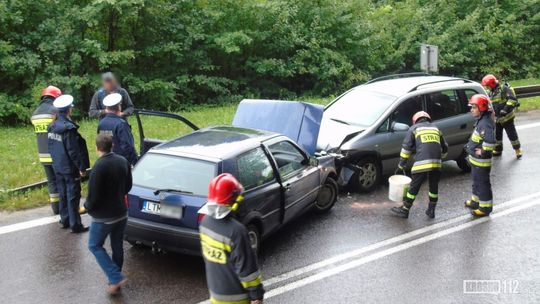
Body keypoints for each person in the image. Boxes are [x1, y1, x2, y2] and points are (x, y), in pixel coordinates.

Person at [198, 174, 265, 304]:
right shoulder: (236, 231)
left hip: (216, 296)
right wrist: (256, 295)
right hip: (237, 299)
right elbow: (247, 270)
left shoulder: (205, 222)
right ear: (232, 201)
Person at [85, 133, 132, 295]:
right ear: (112, 146)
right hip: (121, 212)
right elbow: (128, 186)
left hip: (104, 217)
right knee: (117, 245)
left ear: (97, 148)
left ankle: (115, 276)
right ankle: (115, 280)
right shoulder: (123, 161)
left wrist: (87, 207)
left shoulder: (99, 167)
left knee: (94, 245)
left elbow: (93, 196)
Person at [390, 111, 448, 219]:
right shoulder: (436, 129)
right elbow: (445, 147)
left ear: (415, 121)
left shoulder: (414, 129)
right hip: (436, 163)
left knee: (414, 188)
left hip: (422, 164)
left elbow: (406, 148)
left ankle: (405, 210)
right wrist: (441, 157)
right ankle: (431, 210)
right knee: (433, 187)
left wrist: (402, 163)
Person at [48, 95, 90, 233]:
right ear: (69, 110)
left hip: (58, 166)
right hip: (70, 168)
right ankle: (75, 225)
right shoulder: (68, 129)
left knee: (63, 194)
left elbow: (51, 147)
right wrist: (81, 168)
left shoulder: (52, 126)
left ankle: (65, 220)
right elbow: (73, 151)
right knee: (73, 195)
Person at [31, 86, 62, 214]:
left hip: (43, 155)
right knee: (61, 181)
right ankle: (65, 209)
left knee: (51, 182)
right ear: (55, 97)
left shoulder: (35, 114)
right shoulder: (55, 111)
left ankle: (55, 209)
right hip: (56, 154)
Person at [464, 94, 496, 217]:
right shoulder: (482, 120)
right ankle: (475, 202)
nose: (471, 110)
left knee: (482, 184)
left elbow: (490, 142)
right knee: (476, 182)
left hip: (481, 162)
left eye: (473, 107)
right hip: (476, 162)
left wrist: (482, 152)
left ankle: (485, 208)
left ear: (481, 108)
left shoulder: (486, 123)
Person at [481, 74, 522, 159]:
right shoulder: (491, 92)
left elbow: (512, 99)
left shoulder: (504, 88)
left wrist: (505, 109)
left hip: (507, 117)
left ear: (492, 83)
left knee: (512, 135)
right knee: (497, 136)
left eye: (487, 86)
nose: (487, 88)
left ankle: (517, 150)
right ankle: (498, 150)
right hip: (497, 119)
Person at [97, 93, 138, 166]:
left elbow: (100, 144)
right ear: (119, 107)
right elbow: (128, 147)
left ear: (107, 108)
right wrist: (135, 163)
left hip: (107, 163)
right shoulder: (121, 124)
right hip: (121, 164)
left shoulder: (101, 124)